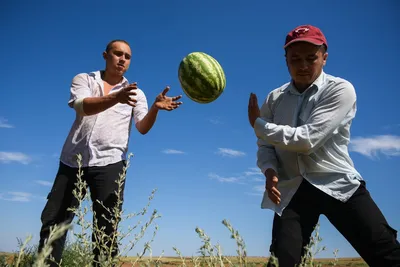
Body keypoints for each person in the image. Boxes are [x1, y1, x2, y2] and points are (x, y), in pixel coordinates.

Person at [248, 25, 400, 267]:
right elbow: (265, 144)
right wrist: (269, 171)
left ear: (324, 58)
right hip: (292, 191)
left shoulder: (340, 90)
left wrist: (258, 124)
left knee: (387, 254)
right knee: (281, 263)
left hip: (337, 183)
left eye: (311, 58)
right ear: (285, 60)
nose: (303, 65)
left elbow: (307, 140)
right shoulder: (274, 99)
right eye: (295, 59)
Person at [37, 39, 183, 266]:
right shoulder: (84, 79)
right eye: (117, 54)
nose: (122, 59)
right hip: (72, 161)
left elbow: (142, 127)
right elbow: (83, 106)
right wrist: (116, 97)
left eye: (127, 56)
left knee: (106, 230)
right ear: (106, 55)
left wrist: (155, 108)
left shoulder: (136, 94)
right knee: (54, 224)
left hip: (110, 163)